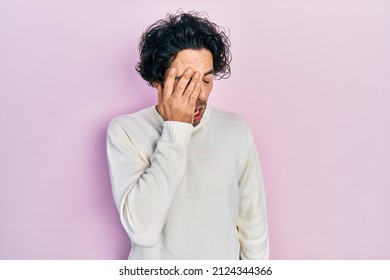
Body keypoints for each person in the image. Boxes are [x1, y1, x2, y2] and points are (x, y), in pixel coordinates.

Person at [106, 11, 269, 260]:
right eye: (184, 80)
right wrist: (176, 129)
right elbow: (143, 230)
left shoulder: (236, 130)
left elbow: (253, 227)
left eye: (206, 79)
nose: (199, 94)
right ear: (156, 81)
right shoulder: (126, 131)